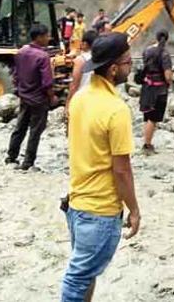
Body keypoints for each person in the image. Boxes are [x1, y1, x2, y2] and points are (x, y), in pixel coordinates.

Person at [61, 32, 140, 302]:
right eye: (128, 61)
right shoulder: (116, 110)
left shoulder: (80, 98)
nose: (132, 66)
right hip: (101, 211)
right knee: (78, 277)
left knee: (85, 274)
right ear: (114, 68)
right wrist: (135, 209)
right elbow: (122, 170)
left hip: (76, 204)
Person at [5, 23, 57, 171]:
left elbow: (15, 76)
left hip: (24, 96)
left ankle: (11, 156)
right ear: (39, 37)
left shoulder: (21, 52)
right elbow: (47, 82)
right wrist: (52, 97)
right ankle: (28, 161)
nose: (48, 38)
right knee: (35, 131)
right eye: (46, 36)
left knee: (20, 127)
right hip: (39, 99)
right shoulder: (43, 56)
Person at [140, 30, 173, 155]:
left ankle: (147, 141)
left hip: (147, 87)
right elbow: (168, 75)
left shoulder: (147, 50)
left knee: (147, 116)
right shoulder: (164, 54)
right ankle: (147, 145)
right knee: (153, 118)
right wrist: (170, 82)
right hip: (159, 90)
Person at [65, 30, 99, 113]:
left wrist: (68, 103)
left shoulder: (80, 60)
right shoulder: (100, 58)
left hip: (83, 99)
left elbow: (74, 85)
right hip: (97, 98)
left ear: (85, 44)